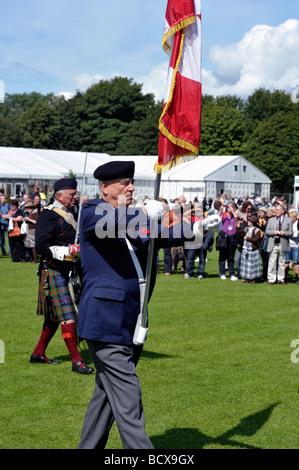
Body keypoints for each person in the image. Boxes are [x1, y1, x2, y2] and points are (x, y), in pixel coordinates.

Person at [77, 161, 222, 449]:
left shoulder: (130, 221)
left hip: (132, 321)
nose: (131, 187)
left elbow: (160, 235)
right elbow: (112, 223)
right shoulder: (93, 212)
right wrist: (144, 212)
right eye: (123, 183)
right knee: (129, 399)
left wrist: (196, 227)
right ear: (105, 188)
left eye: (131, 182)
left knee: (107, 396)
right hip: (105, 322)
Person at [30, 178, 94, 375]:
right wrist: (67, 251)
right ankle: (77, 361)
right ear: (59, 196)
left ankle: (38, 353)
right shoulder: (48, 216)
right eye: (72, 195)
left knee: (54, 317)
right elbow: (40, 247)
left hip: (70, 270)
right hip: (54, 269)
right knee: (67, 316)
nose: (75, 198)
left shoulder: (71, 213)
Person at [266, 204, 293, 284]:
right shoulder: (271, 220)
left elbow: (291, 233)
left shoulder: (289, 220)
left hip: (283, 243)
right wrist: (273, 232)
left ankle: (281, 279)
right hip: (273, 243)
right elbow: (267, 231)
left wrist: (284, 233)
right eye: (276, 210)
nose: (276, 211)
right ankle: (271, 279)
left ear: (282, 211)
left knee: (282, 262)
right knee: (272, 262)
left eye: (277, 210)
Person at [217, 201, 238, 281]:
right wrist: (220, 210)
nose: (229, 208)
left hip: (232, 237)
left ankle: (232, 273)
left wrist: (233, 212)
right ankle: (222, 273)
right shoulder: (224, 214)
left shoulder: (235, 215)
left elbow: (237, 219)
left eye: (231, 207)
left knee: (231, 256)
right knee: (222, 256)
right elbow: (217, 219)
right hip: (224, 237)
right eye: (228, 207)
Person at [239, 215, 262, 284]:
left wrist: (247, 238)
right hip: (245, 248)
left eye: (249, 221)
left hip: (253, 249)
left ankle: (253, 278)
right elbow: (239, 234)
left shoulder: (257, 231)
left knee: (253, 265)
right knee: (245, 264)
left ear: (252, 222)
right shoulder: (246, 229)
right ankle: (246, 278)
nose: (248, 222)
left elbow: (256, 240)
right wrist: (238, 225)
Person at [285, 209, 299, 283]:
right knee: (286, 262)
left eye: (291, 217)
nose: (289, 218)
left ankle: (296, 277)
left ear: (294, 217)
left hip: (295, 245)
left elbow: (296, 235)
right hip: (287, 244)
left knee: (296, 262)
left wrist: (287, 233)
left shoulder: (297, 224)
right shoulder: (287, 223)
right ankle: (285, 277)